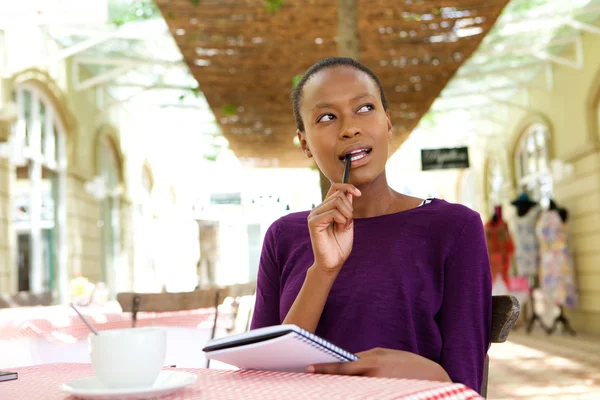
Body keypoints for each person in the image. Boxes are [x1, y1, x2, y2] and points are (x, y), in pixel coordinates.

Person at [250, 57, 492, 393]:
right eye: (326, 117)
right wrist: (322, 271)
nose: (349, 128)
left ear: (387, 122)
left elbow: (466, 386)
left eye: (364, 108)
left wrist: (418, 371)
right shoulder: (284, 235)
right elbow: (260, 382)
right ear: (305, 142)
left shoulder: (455, 228)